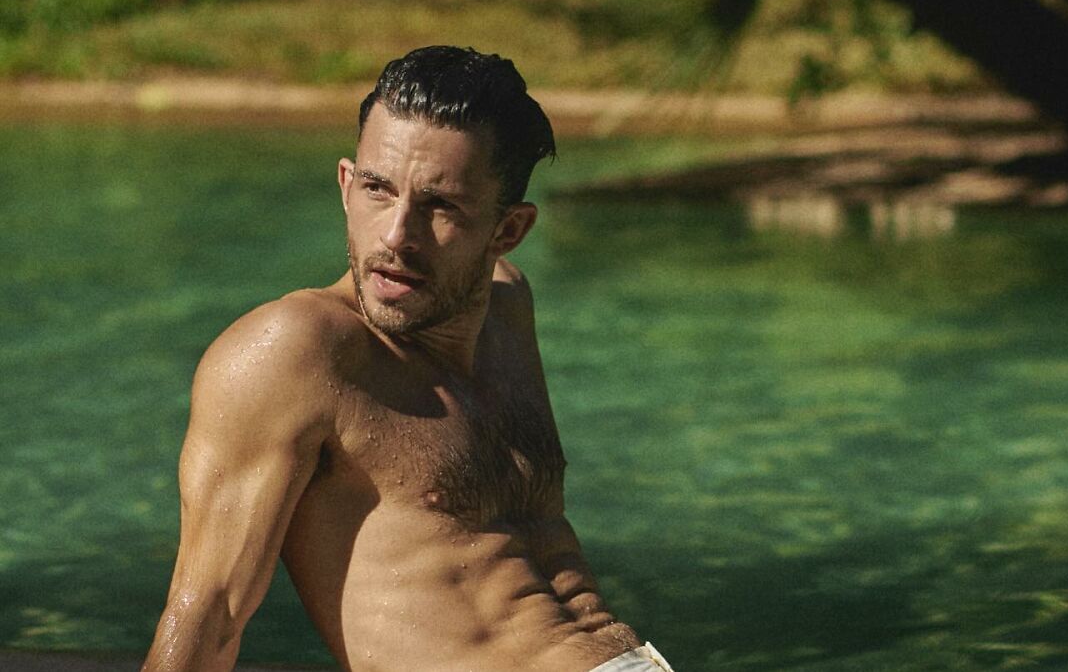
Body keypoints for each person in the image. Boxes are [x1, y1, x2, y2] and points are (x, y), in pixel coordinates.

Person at [141, 46, 674, 672]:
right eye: (377, 188)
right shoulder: (295, 351)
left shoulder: (507, 310)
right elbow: (210, 614)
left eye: (441, 206)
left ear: (508, 231)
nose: (396, 237)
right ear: (345, 184)